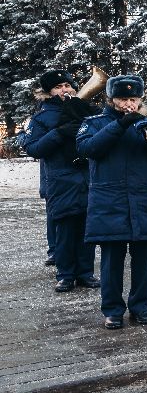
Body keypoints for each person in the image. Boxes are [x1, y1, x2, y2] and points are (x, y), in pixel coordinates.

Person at [76, 75, 147, 329]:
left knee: (143, 258)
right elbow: (89, 149)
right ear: (111, 99)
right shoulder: (94, 123)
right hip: (110, 199)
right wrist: (120, 126)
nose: (129, 104)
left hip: (143, 198)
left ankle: (141, 307)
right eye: (123, 99)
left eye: (133, 99)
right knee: (112, 260)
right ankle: (113, 310)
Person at [23, 69, 99, 292]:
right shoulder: (40, 118)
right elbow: (33, 149)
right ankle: (65, 274)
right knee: (65, 229)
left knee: (87, 228)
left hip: (87, 177)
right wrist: (60, 133)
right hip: (61, 180)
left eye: (68, 86)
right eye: (58, 87)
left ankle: (85, 273)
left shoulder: (85, 110)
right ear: (48, 92)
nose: (65, 90)